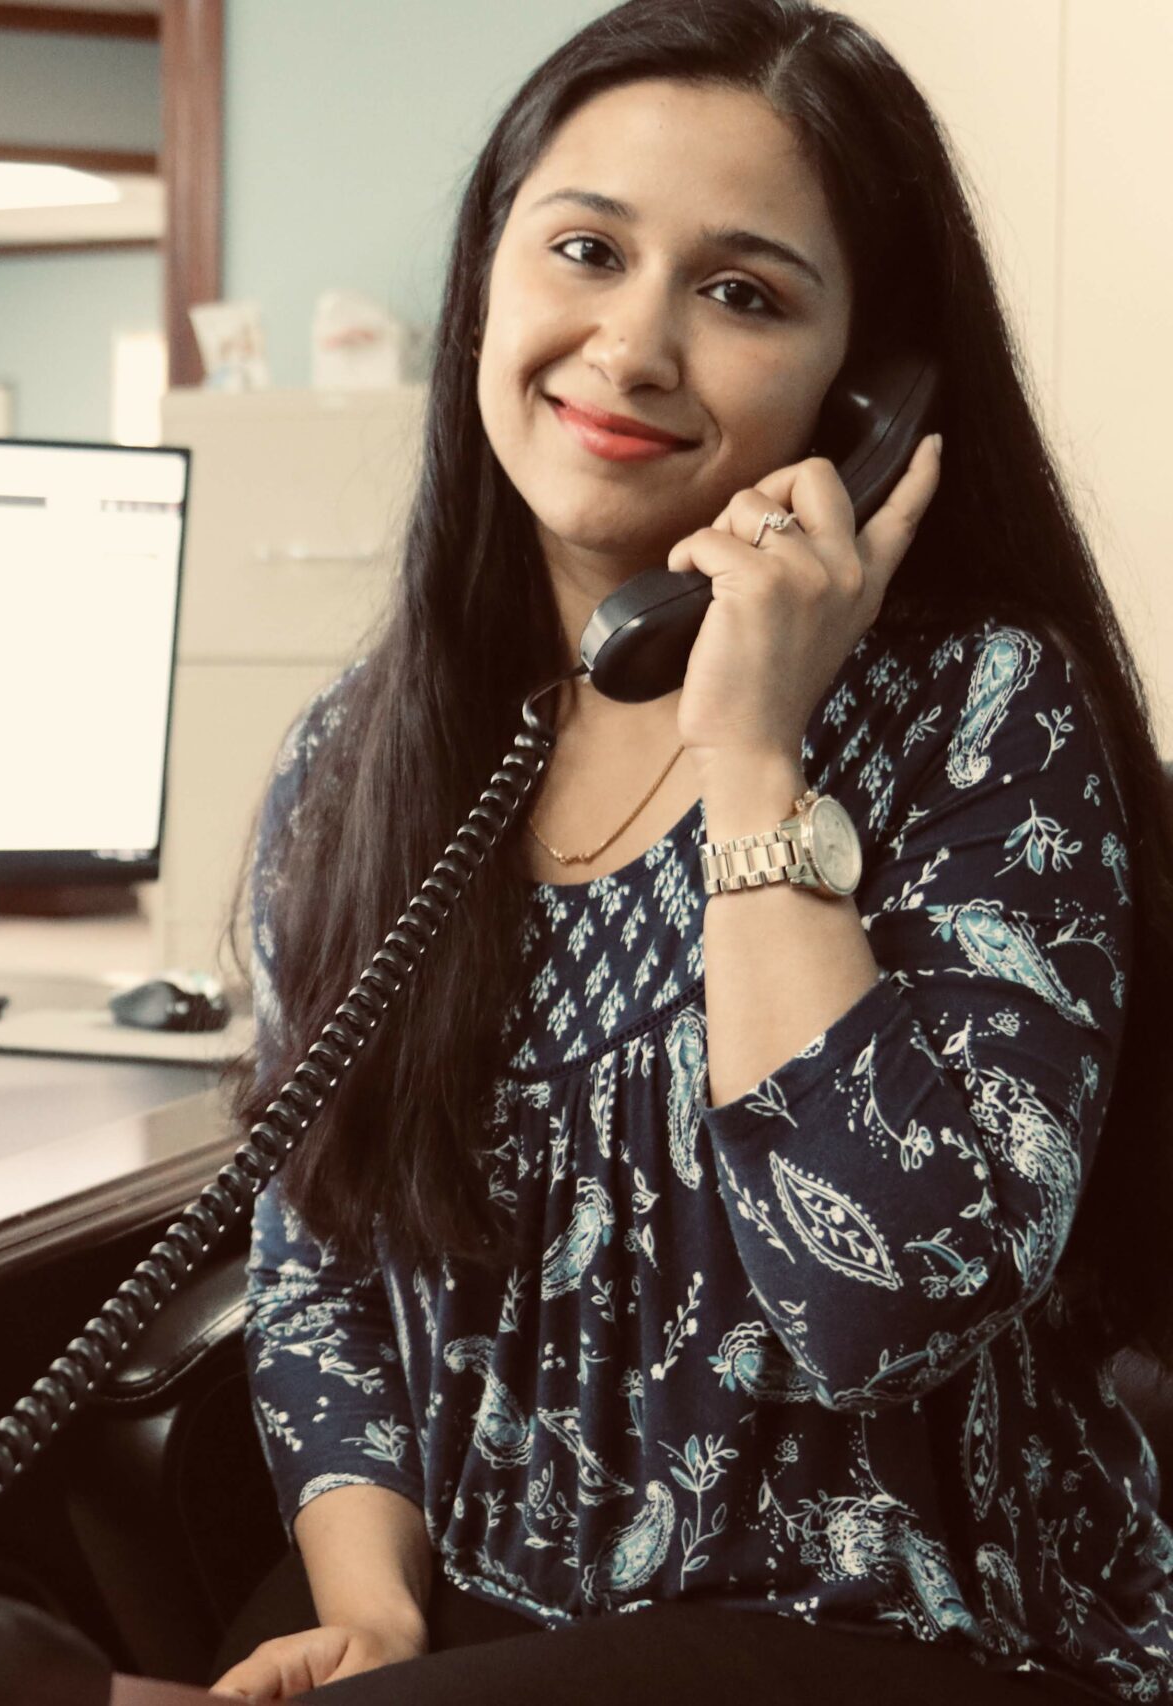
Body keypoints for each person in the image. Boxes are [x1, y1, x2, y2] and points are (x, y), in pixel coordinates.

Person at [215, 1, 1173, 1700]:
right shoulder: (364, 763)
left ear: (866, 388)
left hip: (899, 1641)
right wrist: (367, 1598)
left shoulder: (981, 713)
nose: (634, 345)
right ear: (491, 280)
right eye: (585, 249)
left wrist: (751, 755)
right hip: (498, 1626)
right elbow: (323, 1246)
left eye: (743, 292)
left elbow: (879, 1301)